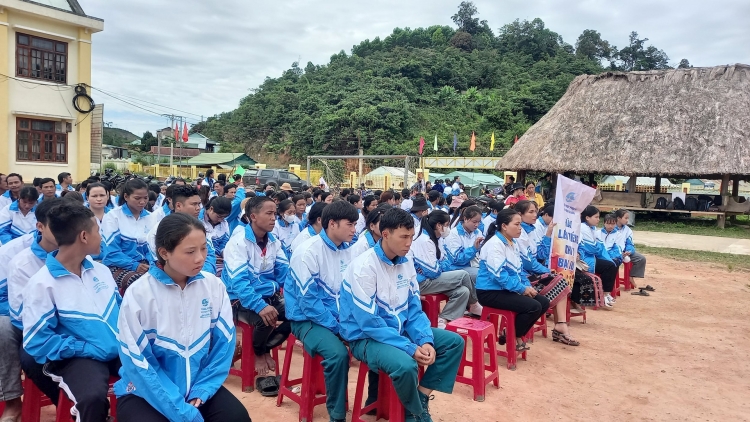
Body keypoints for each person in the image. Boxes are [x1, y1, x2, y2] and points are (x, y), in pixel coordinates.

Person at [116, 213, 250, 422]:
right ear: (164, 253)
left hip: (199, 384)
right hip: (146, 391)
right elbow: (138, 362)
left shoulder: (213, 286)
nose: (200, 258)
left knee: (237, 418)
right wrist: (180, 410)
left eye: (204, 248)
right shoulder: (140, 293)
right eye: (190, 251)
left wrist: (203, 388)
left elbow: (224, 346)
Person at [339, 208, 464, 422]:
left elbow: (414, 310)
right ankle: (413, 413)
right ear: (385, 234)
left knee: (454, 342)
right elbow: (370, 324)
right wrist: (409, 347)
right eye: (404, 237)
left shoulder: (406, 264)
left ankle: (420, 398)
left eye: (411, 237)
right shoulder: (364, 267)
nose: (409, 243)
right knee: (406, 365)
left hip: (399, 332)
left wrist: (424, 340)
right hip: (365, 338)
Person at [22, 202, 121, 422]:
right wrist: (85, 348)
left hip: (117, 347)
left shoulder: (100, 270)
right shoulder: (42, 283)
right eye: (98, 231)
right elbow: (37, 341)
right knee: (92, 398)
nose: (101, 237)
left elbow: (121, 311)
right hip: (80, 357)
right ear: (84, 236)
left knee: (157, 374)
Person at [285, 201, 358, 422]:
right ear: (332, 224)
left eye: (356, 224)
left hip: (337, 318)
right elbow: (309, 303)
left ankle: (375, 403)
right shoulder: (307, 251)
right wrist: (338, 328)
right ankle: (336, 415)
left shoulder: (349, 250)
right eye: (350, 224)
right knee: (337, 354)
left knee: (376, 342)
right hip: (306, 320)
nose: (355, 230)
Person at [0, 198, 61, 420]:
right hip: (17, 314)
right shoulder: (14, 255)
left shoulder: (76, 248)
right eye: (58, 226)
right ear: (40, 227)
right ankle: (12, 400)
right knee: (2, 328)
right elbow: (3, 297)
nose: (66, 232)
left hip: (62, 316)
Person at [222, 196, 291, 379]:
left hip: (268, 296)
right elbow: (239, 283)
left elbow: (285, 273)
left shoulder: (274, 241)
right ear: (253, 216)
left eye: (274, 214)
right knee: (265, 318)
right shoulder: (238, 243)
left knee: (298, 314)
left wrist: (293, 298)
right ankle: (259, 353)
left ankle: (263, 348)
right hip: (238, 300)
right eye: (268, 213)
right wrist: (260, 305)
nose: (273, 218)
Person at [477, 209, 551, 352]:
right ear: (504, 226)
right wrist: (522, 289)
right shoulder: (495, 244)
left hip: (506, 289)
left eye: (520, 225)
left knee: (543, 302)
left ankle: (512, 333)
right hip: (489, 291)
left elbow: (519, 271)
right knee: (533, 306)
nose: (520, 228)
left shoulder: (512, 243)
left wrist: (527, 286)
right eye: (517, 224)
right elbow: (499, 275)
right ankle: (514, 336)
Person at [515, 200, 577, 345]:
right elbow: (528, 263)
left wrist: (548, 233)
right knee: (558, 280)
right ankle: (560, 325)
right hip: (523, 276)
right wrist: (547, 271)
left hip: (530, 272)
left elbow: (540, 255)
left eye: (536, 211)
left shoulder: (531, 230)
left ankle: (560, 325)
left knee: (559, 279)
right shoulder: (520, 233)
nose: (535, 215)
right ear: (519, 214)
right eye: (531, 212)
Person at [411, 210, 482, 328]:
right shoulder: (424, 239)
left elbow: (446, 260)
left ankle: (443, 319)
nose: (448, 228)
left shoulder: (437, 237)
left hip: (433, 278)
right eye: (447, 225)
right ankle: (474, 304)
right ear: (439, 225)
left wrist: (440, 266)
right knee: (464, 275)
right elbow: (432, 271)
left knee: (463, 291)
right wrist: (441, 266)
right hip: (422, 283)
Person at [102, 178, 157, 292]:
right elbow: (112, 253)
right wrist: (135, 265)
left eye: (145, 198)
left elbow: (153, 248)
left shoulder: (151, 217)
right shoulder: (113, 217)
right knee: (141, 283)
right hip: (118, 266)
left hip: (145, 265)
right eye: (137, 198)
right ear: (126, 197)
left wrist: (151, 264)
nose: (142, 202)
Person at [147, 185, 216, 274]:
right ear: (178, 206)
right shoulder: (159, 230)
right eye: (194, 204)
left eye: (199, 204)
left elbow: (210, 254)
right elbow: (160, 263)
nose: (198, 208)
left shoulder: (199, 226)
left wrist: (202, 275)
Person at [578, 205, 617, 308]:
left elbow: (598, 245)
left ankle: (606, 294)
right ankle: (604, 295)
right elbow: (593, 248)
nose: (598, 220)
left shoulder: (592, 228)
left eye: (598, 217)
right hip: (584, 258)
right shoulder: (583, 227)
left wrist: (597, 247)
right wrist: (597, 247)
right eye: (596, 217)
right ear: (587, 217)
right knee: (609, 266)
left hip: (591, 256)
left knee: (613, 264)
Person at [443, 205, 484, 285]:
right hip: (458, 267)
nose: (477, 225)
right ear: (465, 219)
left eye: (479, 222)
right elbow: (456, 259)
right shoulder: (454, 234)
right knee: (482, 276)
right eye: (474, 222)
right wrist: (474, 249)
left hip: (474, 265)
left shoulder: (478, 232)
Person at [614, 209, 650, 290]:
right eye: (626, 218)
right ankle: (612, 282)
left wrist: (629, 251)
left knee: (641, 258)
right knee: (613, 262)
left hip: (625, 252)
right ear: (618, 218)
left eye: (628, 218)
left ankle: (631, 276)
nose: (627, 220)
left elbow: (629, 243)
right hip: (615, 252)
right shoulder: (611, 227)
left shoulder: (627, 230)